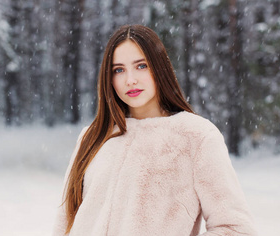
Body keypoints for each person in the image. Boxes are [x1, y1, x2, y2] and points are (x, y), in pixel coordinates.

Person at [52, 25, 257, 235]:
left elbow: (235, 228)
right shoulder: (93, 136)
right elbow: (64, 225)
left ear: (159, 67)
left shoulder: (196, 136)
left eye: (141, 66)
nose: (130, 79)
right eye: (119, 70)